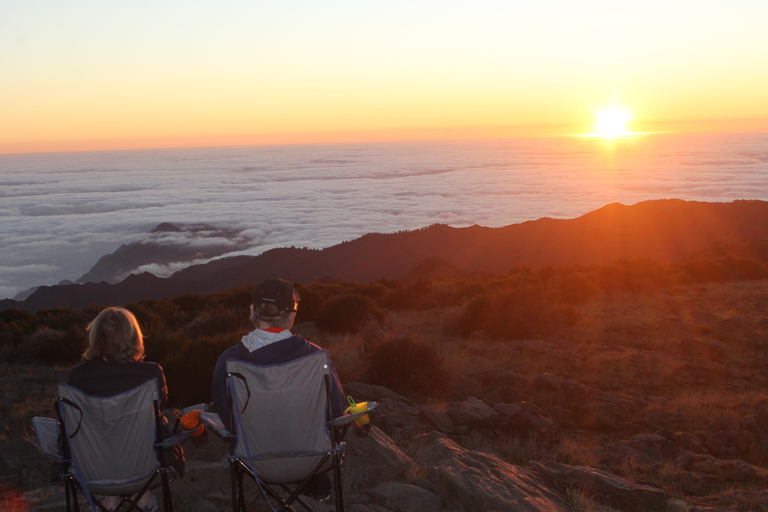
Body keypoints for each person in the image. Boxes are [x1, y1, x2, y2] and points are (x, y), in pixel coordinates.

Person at [210, 278, 346, 500]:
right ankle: (312, 476)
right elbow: (336, 410)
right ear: (291, 315)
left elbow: (227, 416)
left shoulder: (228, 361)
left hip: (254, 461)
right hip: (314, 459)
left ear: (253, 312)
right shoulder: (315, 357)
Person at [67, 307, 184, 512]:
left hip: (93, 471)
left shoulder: (77, 377)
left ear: (96, 337)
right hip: (145, 468)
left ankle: (110, 502)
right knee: (153, 424)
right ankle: (143, 501)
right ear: (134, 336)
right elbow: (158, 412)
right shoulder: (150, 373)